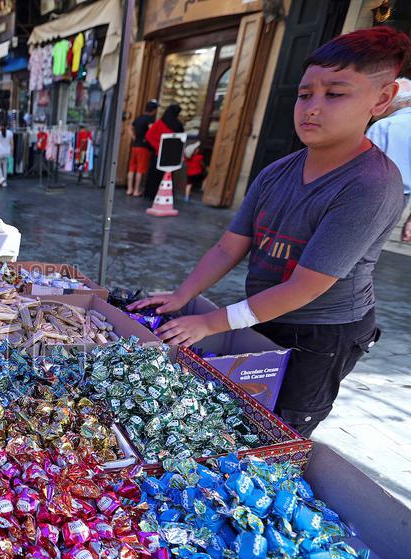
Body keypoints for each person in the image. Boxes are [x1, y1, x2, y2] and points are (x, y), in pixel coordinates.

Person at [131, 27, 409, 438]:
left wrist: (209, 324)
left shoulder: (370, 184)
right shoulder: (276, 172)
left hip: (322, 333)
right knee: (243, 411)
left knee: (284, 428)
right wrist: (182, 296)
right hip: (264, 313)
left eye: (335, 94)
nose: (312, 108)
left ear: (381, 99)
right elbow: (229, 247)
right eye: (304, 94)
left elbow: (305, 287)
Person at [366, 77, 411, 243]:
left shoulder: (384, 126)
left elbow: (364, 168)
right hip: (401, 199)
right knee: (372, 250)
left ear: (393, 101)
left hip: (373, 195)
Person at [143, 104, 183, 201]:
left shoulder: (160, 122)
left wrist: (158, 146)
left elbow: (148, 136)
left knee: (154, 175)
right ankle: (165, 196)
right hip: (171, 156)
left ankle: (151, 194)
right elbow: (180, 141)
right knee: (167, 176)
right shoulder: (178, 126)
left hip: (158, 154)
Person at [127, 100, 159, 196]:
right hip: (143, 147)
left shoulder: (139, 118)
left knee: (132, 168)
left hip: (135, 145)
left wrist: (134, 137)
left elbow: (129, 127)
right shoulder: (150, 119)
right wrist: (147, 139)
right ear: (153, 110)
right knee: (140, 169)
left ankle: (129, 189)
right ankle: (136, 190)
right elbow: (151, 130)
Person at [184, 137, 206, 201]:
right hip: (197, 173)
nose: (198, 150)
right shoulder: (199, 157)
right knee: (206, 178)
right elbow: (202, 164)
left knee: (189, 185)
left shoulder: (187, 158)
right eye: (197, 149)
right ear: (195, 151)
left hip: (190, 173)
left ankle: (186, 197)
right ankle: (202, 189)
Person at [0, 123, 14, 187]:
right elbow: (12, 143)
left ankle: (1, 177)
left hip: (0, 152)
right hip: (7, 152)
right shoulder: (10, 133)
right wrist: (12, 152)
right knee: (5, 167)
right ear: (7, 126)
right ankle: (4, 183)